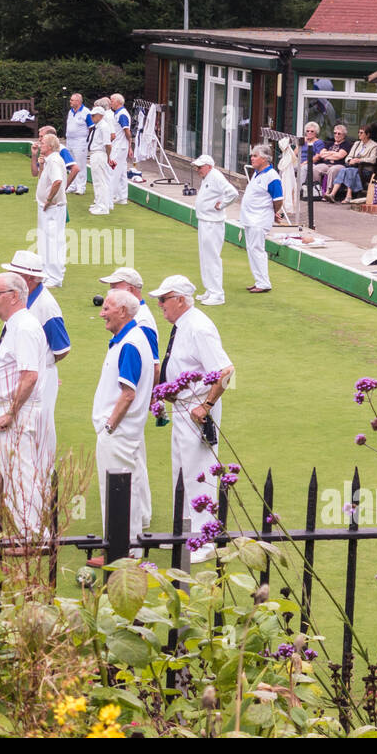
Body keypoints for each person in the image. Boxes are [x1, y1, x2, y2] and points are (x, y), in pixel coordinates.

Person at [149, 274, 234, 564]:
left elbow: (225, 371)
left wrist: (206, 405)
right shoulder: (184, 325)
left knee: (200, 470)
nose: (160, 305)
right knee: (182, 469)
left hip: (196, 409)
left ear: (180, 300)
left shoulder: (198, 326)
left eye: (164, 299)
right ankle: (184, 531)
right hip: (183, 408)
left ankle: (205, 539)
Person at [0, 272, 50, 540]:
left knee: (20, 474)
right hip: (13, 409)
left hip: (16, 411)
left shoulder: (24, 327)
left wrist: (11, 412)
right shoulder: (17, 325)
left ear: (13, 296)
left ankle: (32, 533)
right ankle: (27, 530)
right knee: (12, 473)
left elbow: (29, 375)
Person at [92, 288, 154, 557]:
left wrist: (109, 426)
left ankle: (123, 552)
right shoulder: (129, 338)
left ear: (123, 312)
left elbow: (128, 393)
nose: (101, 313)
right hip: (126, 431)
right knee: (129, 487)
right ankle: (131, 547)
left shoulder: (130, 343)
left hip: (118, 432)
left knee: (117, 491)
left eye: (107, 308)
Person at [5, 250, 70, 465]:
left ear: (31, 279)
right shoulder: (19, 299)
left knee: (42, 426)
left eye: (17, 274)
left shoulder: (46, 306)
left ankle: (45, 474)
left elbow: (62, 348)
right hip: (27, 371)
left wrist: (43, 366)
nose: (11, 279)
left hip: (40, 374)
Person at [98, 267, 159, 379]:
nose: (110, 294)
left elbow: (154, 366)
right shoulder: (127, 313)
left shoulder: (142, 320)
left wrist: (150, 396)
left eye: (114, 289)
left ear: (130, 290)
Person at [194, 154, 239, 305]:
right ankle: (210, 289)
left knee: (212, 257)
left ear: (209, 166)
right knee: (204, 257)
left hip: (213, 223)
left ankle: (218, 294)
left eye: (200, 167)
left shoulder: (216, 176)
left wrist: (222, 204)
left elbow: (233, 193)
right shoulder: (207, 177)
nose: (198, 170)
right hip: (204, 221)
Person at [240, 144, 283, 292]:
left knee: (257, 250)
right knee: (252, 250)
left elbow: (278, 199)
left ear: (264, 159)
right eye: (252, 155)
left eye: (255, 156)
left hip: (259, 219)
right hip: (250, 219)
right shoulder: (258, 174)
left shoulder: (272, 176)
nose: (251, 158)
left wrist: (273, 212)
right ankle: (259, 281)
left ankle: (264, 283)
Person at [34, 133, 68, 287]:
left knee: (53, 241)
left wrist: (48, 199)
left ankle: (55, 278)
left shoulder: (54, 160)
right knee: (46, 240)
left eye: (42, 143)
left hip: (53, 207)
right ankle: (47, 273)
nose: (40, 145)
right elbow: (43, 178)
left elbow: (57, 181)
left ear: (49, 146)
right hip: (48, 207)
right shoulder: (49, 161)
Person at [325, 125, 377, 204]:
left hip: (366, 170)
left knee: (350, 171)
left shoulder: (374, 145)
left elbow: (373, 159)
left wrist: (359, 160)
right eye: (358, 132)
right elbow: (349, 156)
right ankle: (332, 194)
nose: (359, 134)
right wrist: (350, 160)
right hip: (354, 168)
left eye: (361, 133)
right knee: (344, 170)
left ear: (367, 135)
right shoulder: (357, 143)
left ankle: (348, 196)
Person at [87, 101, 117, 215]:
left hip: (100, 154)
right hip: (95, 154)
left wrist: (108, 157)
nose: (92, 117)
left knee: (101, 181)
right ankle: (99, 203)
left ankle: (103, 207)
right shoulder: (97, 126)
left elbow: (107, 144)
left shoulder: (103, 126)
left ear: (100, 116)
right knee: (97, 181)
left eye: (93, 115)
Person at [31, 124, 82, 189]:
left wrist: (64, 187)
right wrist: (34, 155)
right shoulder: (44, 150)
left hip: (55, 190)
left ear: (50, 137)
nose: (39, 139)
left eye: (41, 136)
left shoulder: (61, 149)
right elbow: (34, 173)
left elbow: (75, 169)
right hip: (44, 190)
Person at [310, 125, 350, 191]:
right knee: (315, 169)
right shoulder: (330, 143)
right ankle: (317, 190)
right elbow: (322, 154)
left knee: (332, 170)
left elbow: (339, 156)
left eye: (339, 133)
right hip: (326, 164)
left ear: (344, 135)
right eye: (335, 133)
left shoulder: (346, 144)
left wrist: (328, 153)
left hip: (339, 165)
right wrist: (334, 153)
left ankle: (328, 192)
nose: (336, 135)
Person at [64, 94, 90, 194]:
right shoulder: (70, 112)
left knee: (80, 164)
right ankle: (72, 185)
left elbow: (91, 126)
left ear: (78, 101)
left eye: (72, 100)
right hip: (70, 141)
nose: (70, 101)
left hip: (80, 141)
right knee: (71, 163)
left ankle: (81, 187)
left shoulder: (86, 112)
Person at [109, 93, 132, 206]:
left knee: (113, 171)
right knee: (122, 172)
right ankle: (122, 197)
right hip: (120, 146)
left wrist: (130, 145)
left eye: (112, 101)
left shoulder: (122, 114)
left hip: (119, 147)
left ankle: (109, 197)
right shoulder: (118, 113)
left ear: (118, 102)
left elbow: (127, 131)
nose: (110, 103)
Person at [294, 122, 326, 198]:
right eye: (308, 131)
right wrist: (300, 144)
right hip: (299, 162)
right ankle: (283, 187)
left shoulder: (318, 142)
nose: (309, 133)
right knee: (286, 166)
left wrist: (305, 162)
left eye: (312, 131)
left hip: (311, 163)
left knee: (303, 168)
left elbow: (318, 156)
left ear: (316, 133)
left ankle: (299, 191)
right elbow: (295, 153)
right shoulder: (304, 141)